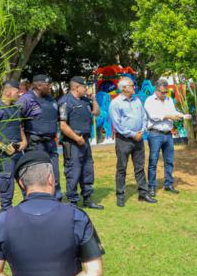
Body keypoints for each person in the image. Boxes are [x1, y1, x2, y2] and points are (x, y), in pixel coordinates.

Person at [109, 77, 155, 207]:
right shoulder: (116, 103)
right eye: (131, 85)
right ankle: (120, 195)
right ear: (123, 88)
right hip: (124, 140)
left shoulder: (137, 100)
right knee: (122, 168)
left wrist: (141, 131)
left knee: (140, 167)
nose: (134, 87)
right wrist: (133, 134)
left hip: (139, 139)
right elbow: (117, 125)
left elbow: (144, 117)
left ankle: (143, 193)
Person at [58, 76, 103, 208]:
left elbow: (96, 112)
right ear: (76, 87)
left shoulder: (85, 100)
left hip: (85, 141)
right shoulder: (65, 101)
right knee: (73, 171)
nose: (86, 89)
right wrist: (77, 138)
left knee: (88, 169)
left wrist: (93, 99)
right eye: (84, 86)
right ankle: (73, 202)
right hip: (72, 143)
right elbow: (63, 126)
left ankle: (88, 199)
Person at [18, 74, 62, 200]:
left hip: (50, 144)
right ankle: (35, 201)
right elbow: (17, 121)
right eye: (47, 85)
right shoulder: (26, 99)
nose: (50, 87)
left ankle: (56, 200)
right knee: (36, 175)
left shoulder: (51, 100)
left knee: (54, 174)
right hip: (35, 144)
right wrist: (23, 139)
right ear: (38, 85)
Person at [144, 78, 186, 196]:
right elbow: (153, 116)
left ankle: (169, 184)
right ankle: (151, 186)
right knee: (153, 161)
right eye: (162, 92)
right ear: (156, 90)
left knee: (169, 161)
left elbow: (173, 111)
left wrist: (182, 115)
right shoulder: (149, 100)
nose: (164, 94)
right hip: (155, 134)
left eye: (165, 92)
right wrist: (169, 116)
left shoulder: (168, 100)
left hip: (168, 134)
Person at [0, 80, 28, 211]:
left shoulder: (15, 108)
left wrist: (24, 141)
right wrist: (3, 147)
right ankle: (6, 215)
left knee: (27, 183)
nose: (20, 94)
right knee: (7, 188)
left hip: (19, 153)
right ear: (8, 92)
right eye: (18, 92)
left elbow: (19, 126)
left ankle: (30, 210)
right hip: (4, 155)